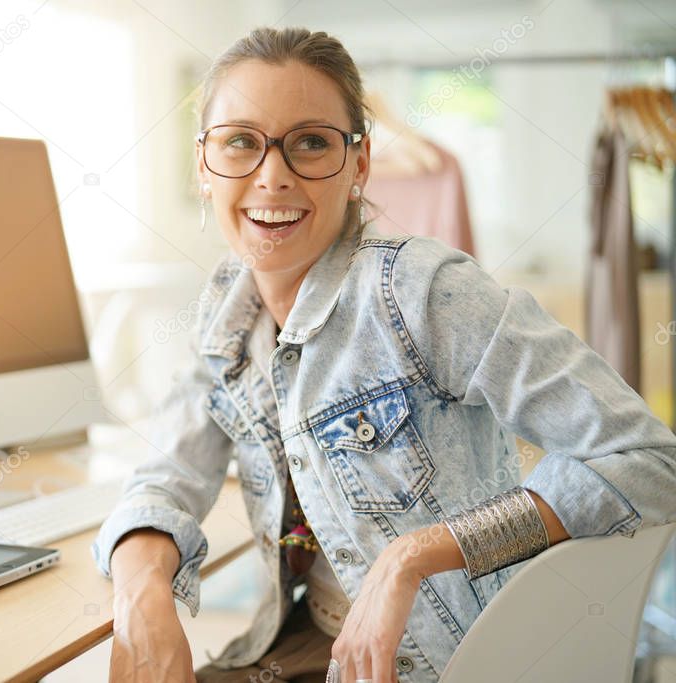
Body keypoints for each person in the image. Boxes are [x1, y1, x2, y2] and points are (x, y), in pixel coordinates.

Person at [91, 26, 676, 683]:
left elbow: (651, 459)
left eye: (311, 142)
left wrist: (414, 553)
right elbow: (168, 473)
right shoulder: (230, 311)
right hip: (314, 647)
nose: (273, 175)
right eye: (240, 143)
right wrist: (140, 586)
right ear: (204, 166)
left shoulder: (425, 294)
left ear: (360, 164)